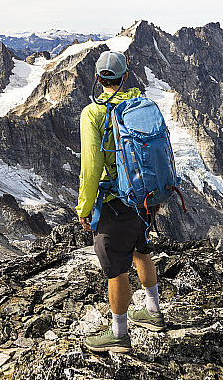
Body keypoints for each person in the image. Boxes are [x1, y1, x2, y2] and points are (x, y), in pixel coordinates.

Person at [76, 50, 166, 353]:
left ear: (99, 80)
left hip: (116, 201)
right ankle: (153, 312)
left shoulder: (95, 113)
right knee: (141, 248)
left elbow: (90, 167)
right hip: (145, 196)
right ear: (126, 76)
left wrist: (84, 207)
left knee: (116, 269)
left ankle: (119, 333)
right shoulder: (142, 104)